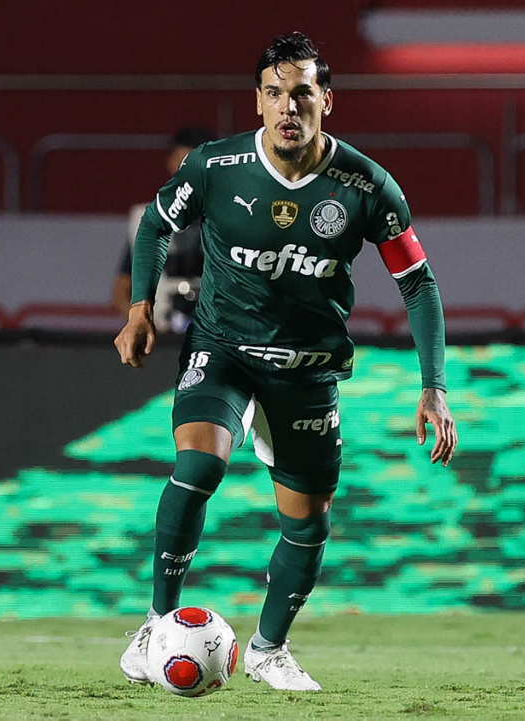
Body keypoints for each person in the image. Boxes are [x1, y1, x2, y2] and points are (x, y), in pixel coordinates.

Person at [114, 32, 457, 692]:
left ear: (327, 99)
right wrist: (139, 309)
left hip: (307, 369)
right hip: (223, 349)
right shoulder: (216, 167)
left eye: (302, 93)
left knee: (308, 522)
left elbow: (417, 282)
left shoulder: (367, 186)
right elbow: (156, 224)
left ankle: (268, 649)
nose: (287, 106)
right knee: (199, 464)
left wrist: (433, 387)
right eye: (274, 93)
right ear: (258, 101)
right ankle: (156, 623)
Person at [111, 126, 214, 332]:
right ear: (170, 162)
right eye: (181, 162)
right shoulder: (149, 222)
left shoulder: (232, 219)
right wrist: (142, 325)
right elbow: (121, 291)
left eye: (195, 164)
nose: (187, 172)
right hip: (161, 335)